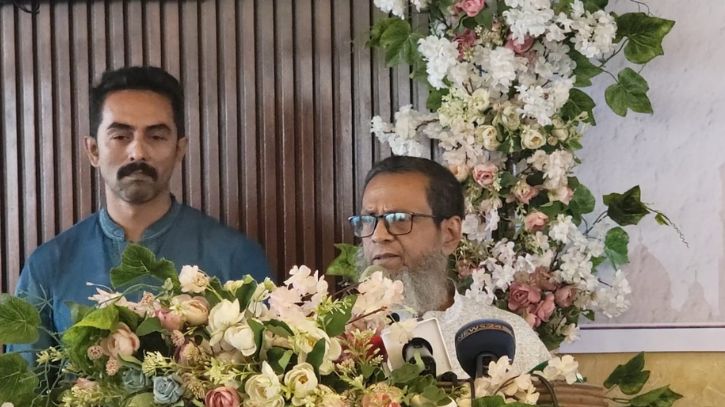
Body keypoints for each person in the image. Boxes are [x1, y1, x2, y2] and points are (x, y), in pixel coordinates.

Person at [8, 66, 270, 357]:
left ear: (179, 149)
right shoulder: (48, 266)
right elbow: (25, 379)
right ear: (93, 150)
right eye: (121, 136)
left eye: (156, 136)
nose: (138, 153)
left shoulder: (235, 259)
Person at [350, 155, 551, 376]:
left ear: (450, 233)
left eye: (399, 219)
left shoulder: (511, 338)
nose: (378, 235)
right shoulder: (334, 337)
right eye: (368, 220)